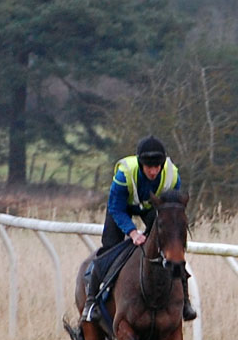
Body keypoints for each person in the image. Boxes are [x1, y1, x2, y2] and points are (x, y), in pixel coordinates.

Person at [80, 135, 197, 323]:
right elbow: (116, 208)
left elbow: (173, 209)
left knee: (172, 247)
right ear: (141, 164)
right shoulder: (124, 175)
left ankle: (185, 299)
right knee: (109, 249)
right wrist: (133, 232)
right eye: (149, 167)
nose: (153, 171)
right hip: (121, 208)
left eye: (157, 167)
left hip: (152, 208)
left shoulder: (173, 175)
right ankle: (91, 302)